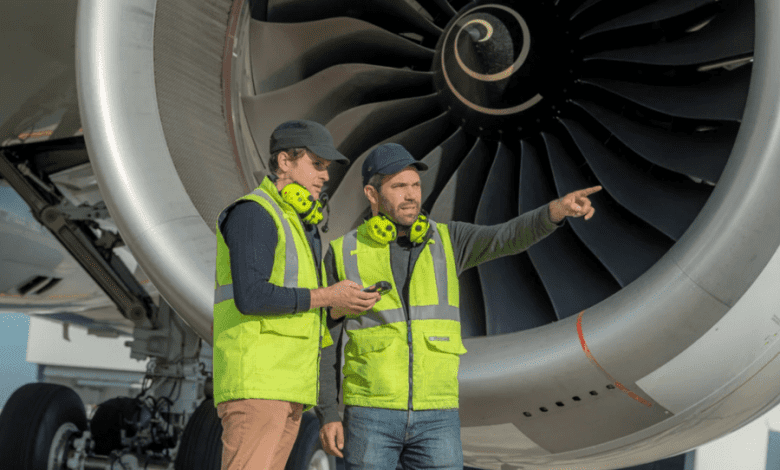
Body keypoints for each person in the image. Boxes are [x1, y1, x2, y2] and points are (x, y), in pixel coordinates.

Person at [316, 143, 602, 470]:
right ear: (372, 193)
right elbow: (325, 339)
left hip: (437, 415)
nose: (411, 195)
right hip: (370, 413)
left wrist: (555, 211)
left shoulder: (449, 240)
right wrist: (328, 413)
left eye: (415, 185)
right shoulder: (343, 252)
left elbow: (507, 237)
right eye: (399, 186)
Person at [212, 120, 381, 470]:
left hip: (287, 391)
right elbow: (252, 296)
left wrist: (338, 306)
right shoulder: (254, 213)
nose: (325, 176)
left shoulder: (297, 224)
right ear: (284, 162)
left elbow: (299, 306)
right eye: (316, 164)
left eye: (326, 168)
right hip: (259, 386)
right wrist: (328, 296)